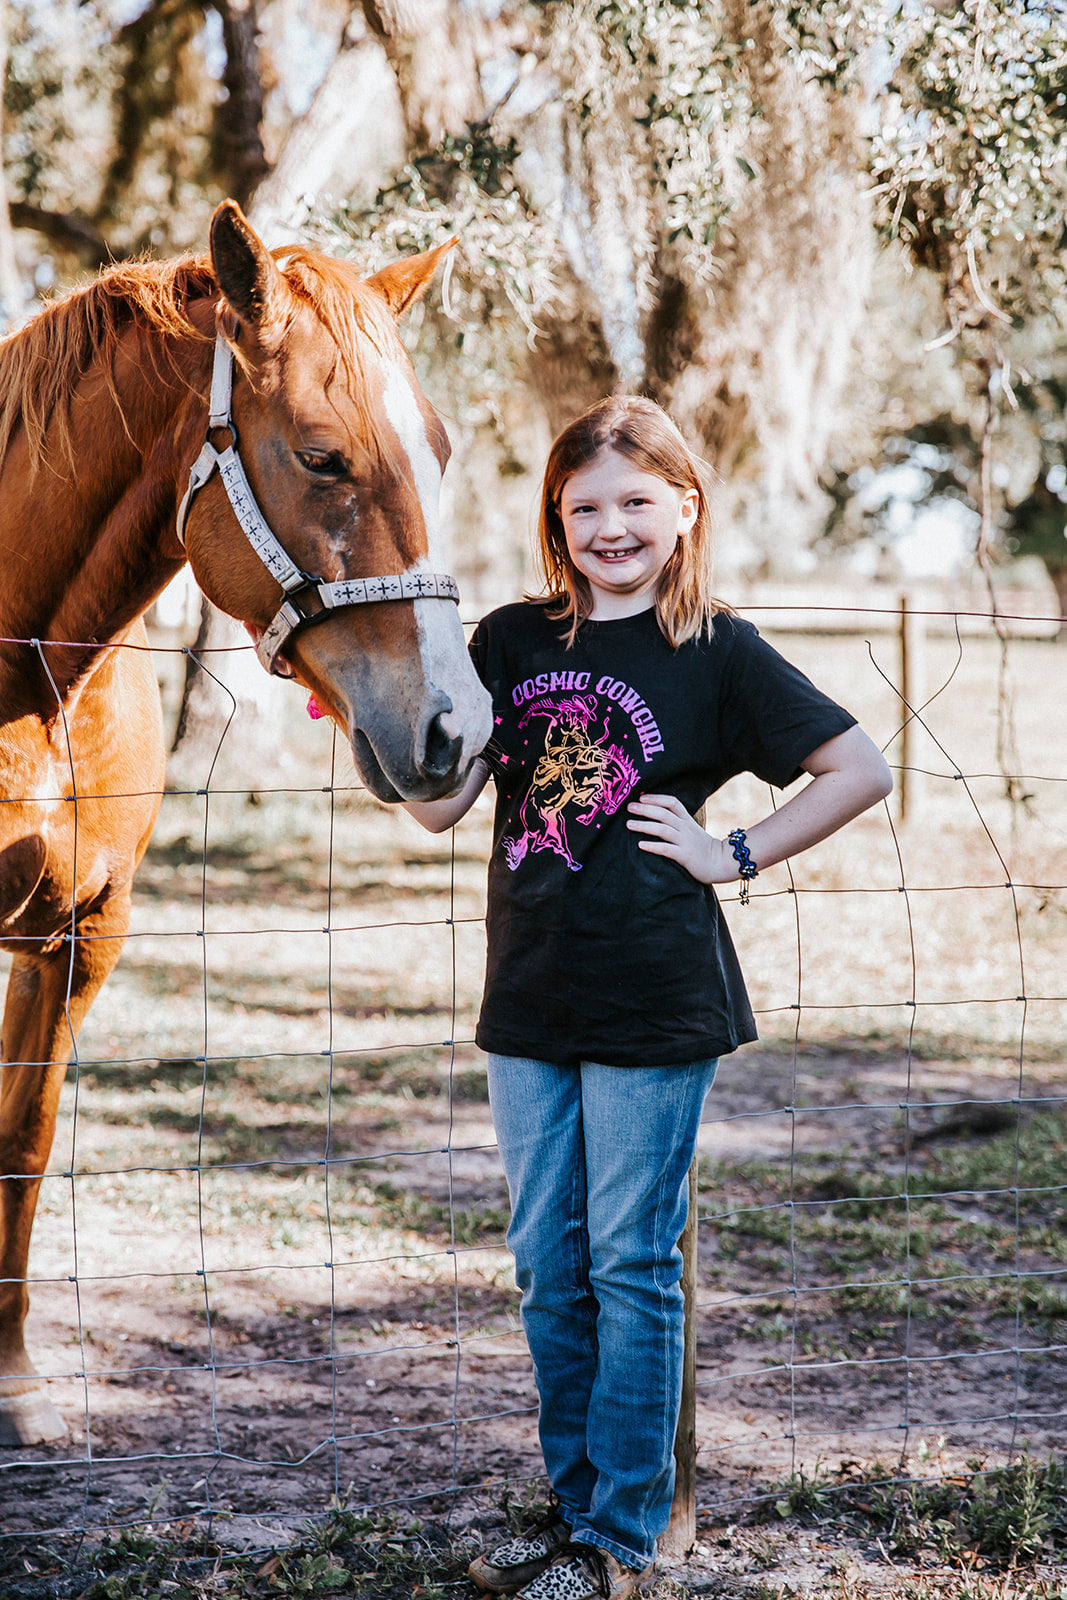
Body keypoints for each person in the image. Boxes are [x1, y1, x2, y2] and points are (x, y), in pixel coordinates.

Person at [404, 396, 892, 1600]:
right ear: (553, 521)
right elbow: (434, 805)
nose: (609, 525)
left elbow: (857, 767)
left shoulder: (713, 649)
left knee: (628, 1259)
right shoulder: (511, 640)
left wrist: (733, 850)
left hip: (654, 994)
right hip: (527, 993)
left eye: (635, 502)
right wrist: (358, 713)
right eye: (583, 507)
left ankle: (618, 1544)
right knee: (540, 1261)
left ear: (683, 508)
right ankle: (573, 1519)